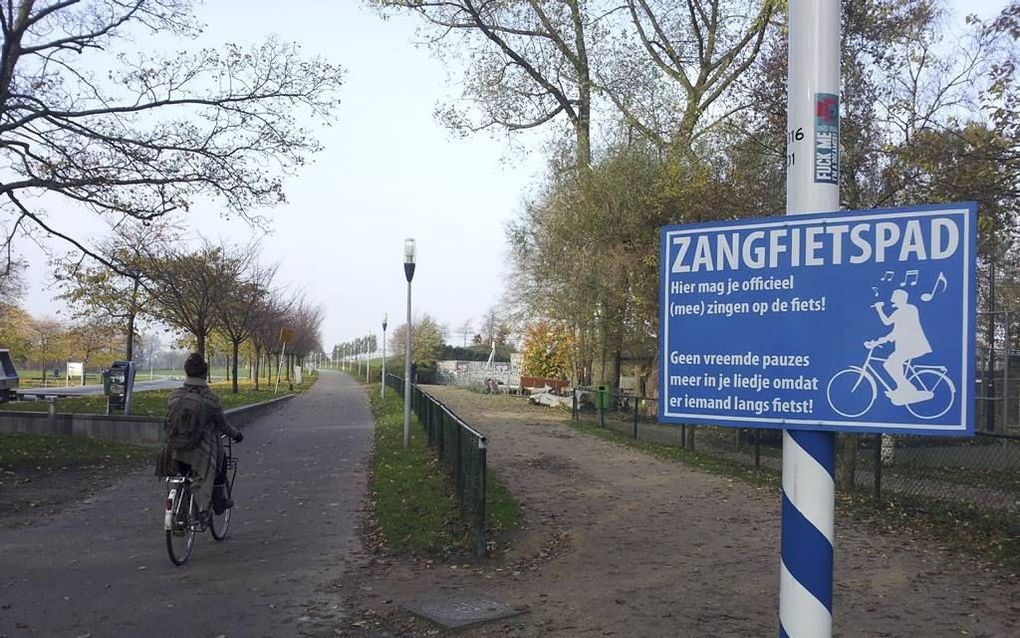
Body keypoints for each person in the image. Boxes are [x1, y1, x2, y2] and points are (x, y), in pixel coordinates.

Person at [169, 353, 243, 522]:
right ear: (204, 374)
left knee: (182, 474)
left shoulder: (175, 396)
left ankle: (180, 509)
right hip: (202, 452)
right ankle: (217, 503)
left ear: (186, 372)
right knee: (220, 464)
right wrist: (236, 435)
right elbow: (222, 424)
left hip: (177, 449)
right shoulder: (211, 399)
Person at [867, 289, 933, 406]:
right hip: (907, 346)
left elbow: (891, 326)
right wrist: (878, 341)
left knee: (890, 364)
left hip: (911, 345)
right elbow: (894, 329)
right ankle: (902, 388)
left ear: (899, 299)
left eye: (894, 298)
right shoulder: (905, 310)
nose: (892, 300)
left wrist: (879, 308)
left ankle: (908, 388)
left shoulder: (906, 310)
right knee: (893, 363)